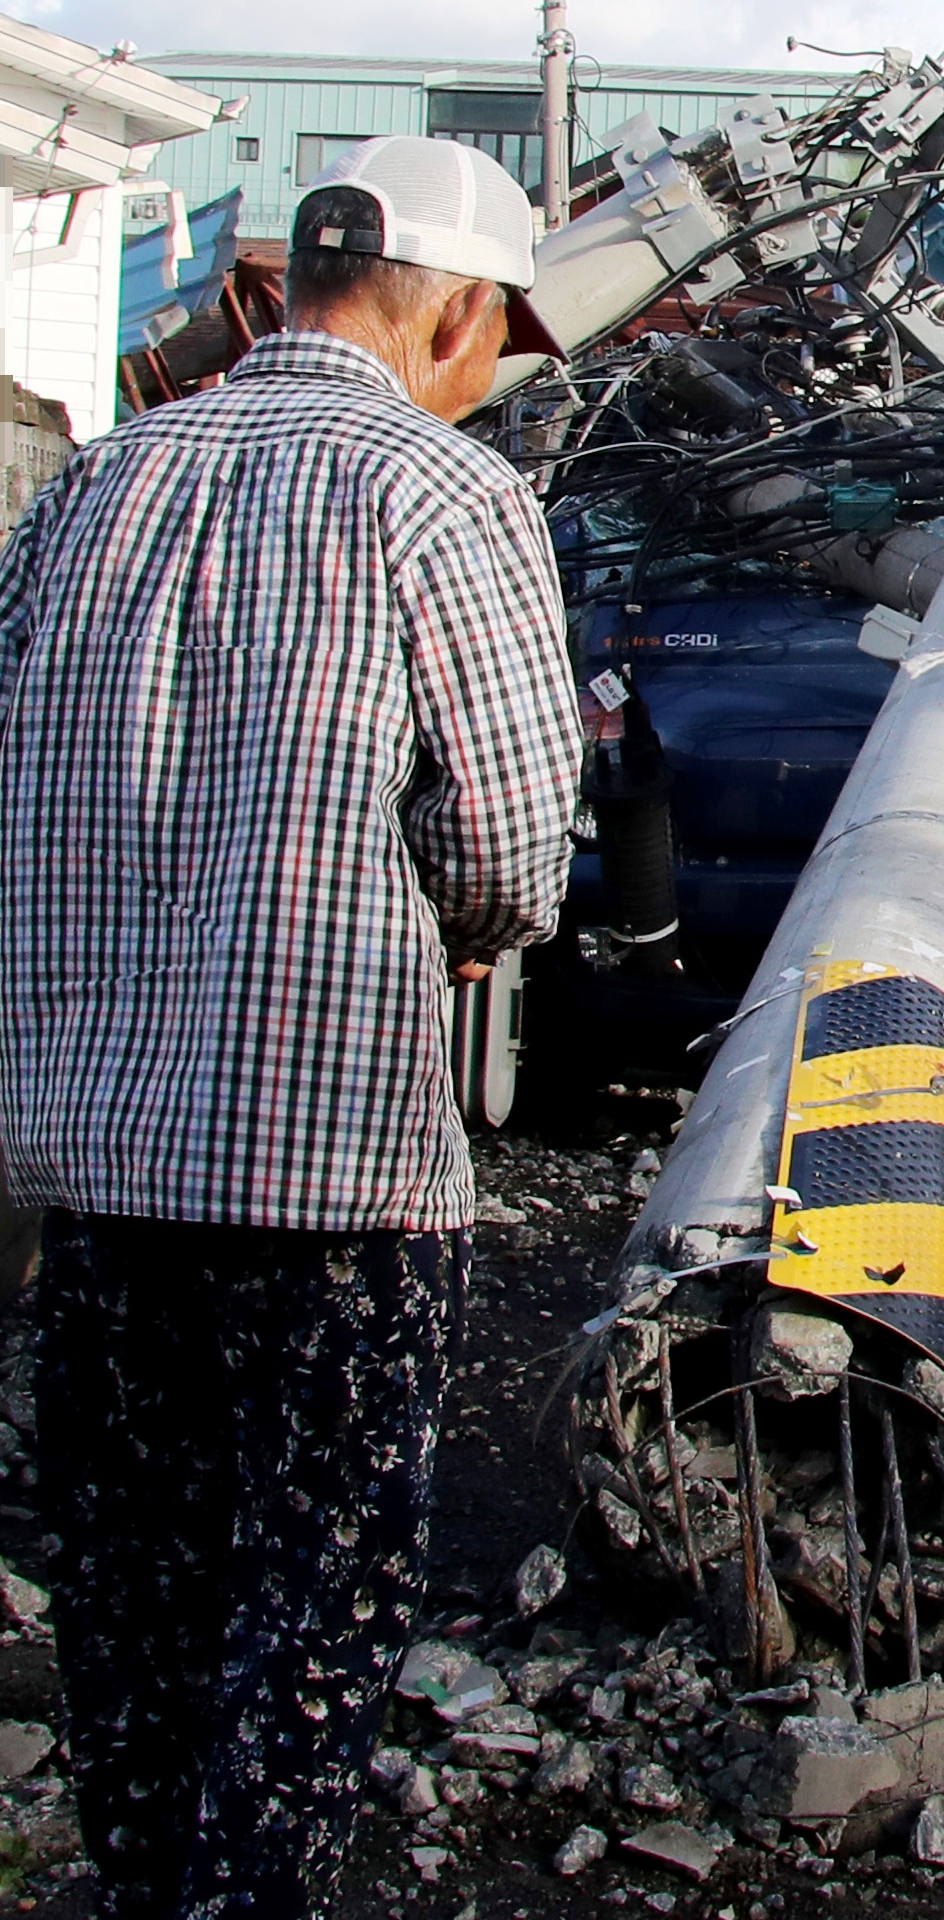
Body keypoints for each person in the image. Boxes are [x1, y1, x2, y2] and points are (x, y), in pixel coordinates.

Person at [0, 136, 578, 1920]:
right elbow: (502, 847)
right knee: (304, 1619)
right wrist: (470, 932)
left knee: (133, 1603)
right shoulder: (443, 498)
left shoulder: (96, 484)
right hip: (322, 1175)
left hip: (87, 1169)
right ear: (457, 313)